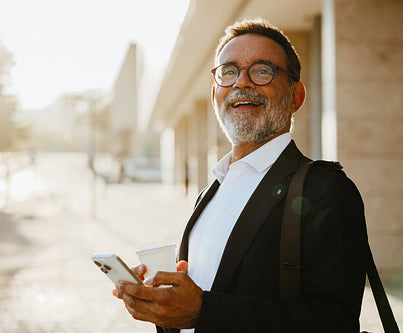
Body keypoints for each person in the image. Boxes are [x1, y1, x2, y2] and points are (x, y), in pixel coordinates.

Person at [113, 18, 369, 333]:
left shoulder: (326, 189)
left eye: (262, 71)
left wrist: (203, 312)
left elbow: (334, 322)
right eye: (229, 72)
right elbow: (199, 300)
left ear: (295, 97)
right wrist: (164, 306)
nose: (241, 83)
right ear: (215, 95)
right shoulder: (209, 193)